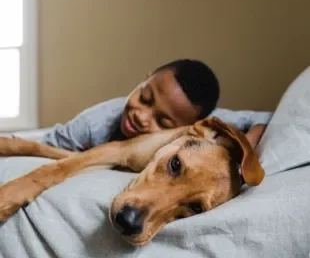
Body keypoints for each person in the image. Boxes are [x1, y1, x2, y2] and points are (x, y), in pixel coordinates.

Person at [40, 59, 272, 151]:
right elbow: (44, 149)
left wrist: (248, 143)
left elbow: (264, 118)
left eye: (162, 121)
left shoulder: (205, 123)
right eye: (145, 97)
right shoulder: (94, 126)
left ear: (192, 125)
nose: (141, 116)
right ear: (145, 79)